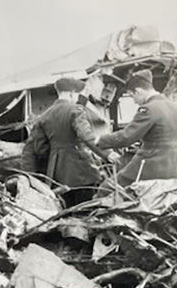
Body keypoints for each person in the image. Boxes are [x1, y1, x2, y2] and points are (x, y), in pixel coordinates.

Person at [21, 77, 118, 207]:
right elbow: (87, 136)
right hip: (80, 172)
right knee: (86, 211)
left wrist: (56, 152)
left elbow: (39, 148)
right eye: (76, 95)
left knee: (65, 210)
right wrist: (107, 153)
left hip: (55, 173)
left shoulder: (44, 116)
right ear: (72, 93)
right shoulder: (75, 111)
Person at [96, 69, 177, 188]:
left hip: (150, 166)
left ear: (138, 91)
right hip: (175, 170)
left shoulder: (149, 109)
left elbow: (126, 137)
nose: (135, 102)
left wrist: (100, 140)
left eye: (132, 96)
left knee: (107, 188)